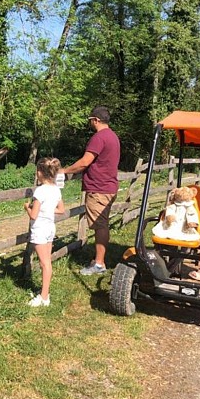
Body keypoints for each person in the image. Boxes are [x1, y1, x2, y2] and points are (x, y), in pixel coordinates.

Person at [61, 106, 120, 275]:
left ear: (96, 120)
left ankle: (99, 263)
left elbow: (85, 162)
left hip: (99, 188)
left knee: (99, 225)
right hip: (108, 186)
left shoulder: (99, 137)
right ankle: (99, 259)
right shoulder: (113, 137)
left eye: (91, 121)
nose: (90, 124)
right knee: (102, 224)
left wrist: (65, 170)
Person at [24, 157, 65, 307]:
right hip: (50, 228)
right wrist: (47, 209)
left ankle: (44, 297)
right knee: (46, 262)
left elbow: (33, 215)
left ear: (40, 173)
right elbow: (61, 209)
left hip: (40, 229)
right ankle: (44, 292)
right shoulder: (55, 189)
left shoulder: (40, 191)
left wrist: (27, 208)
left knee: (45, 263)